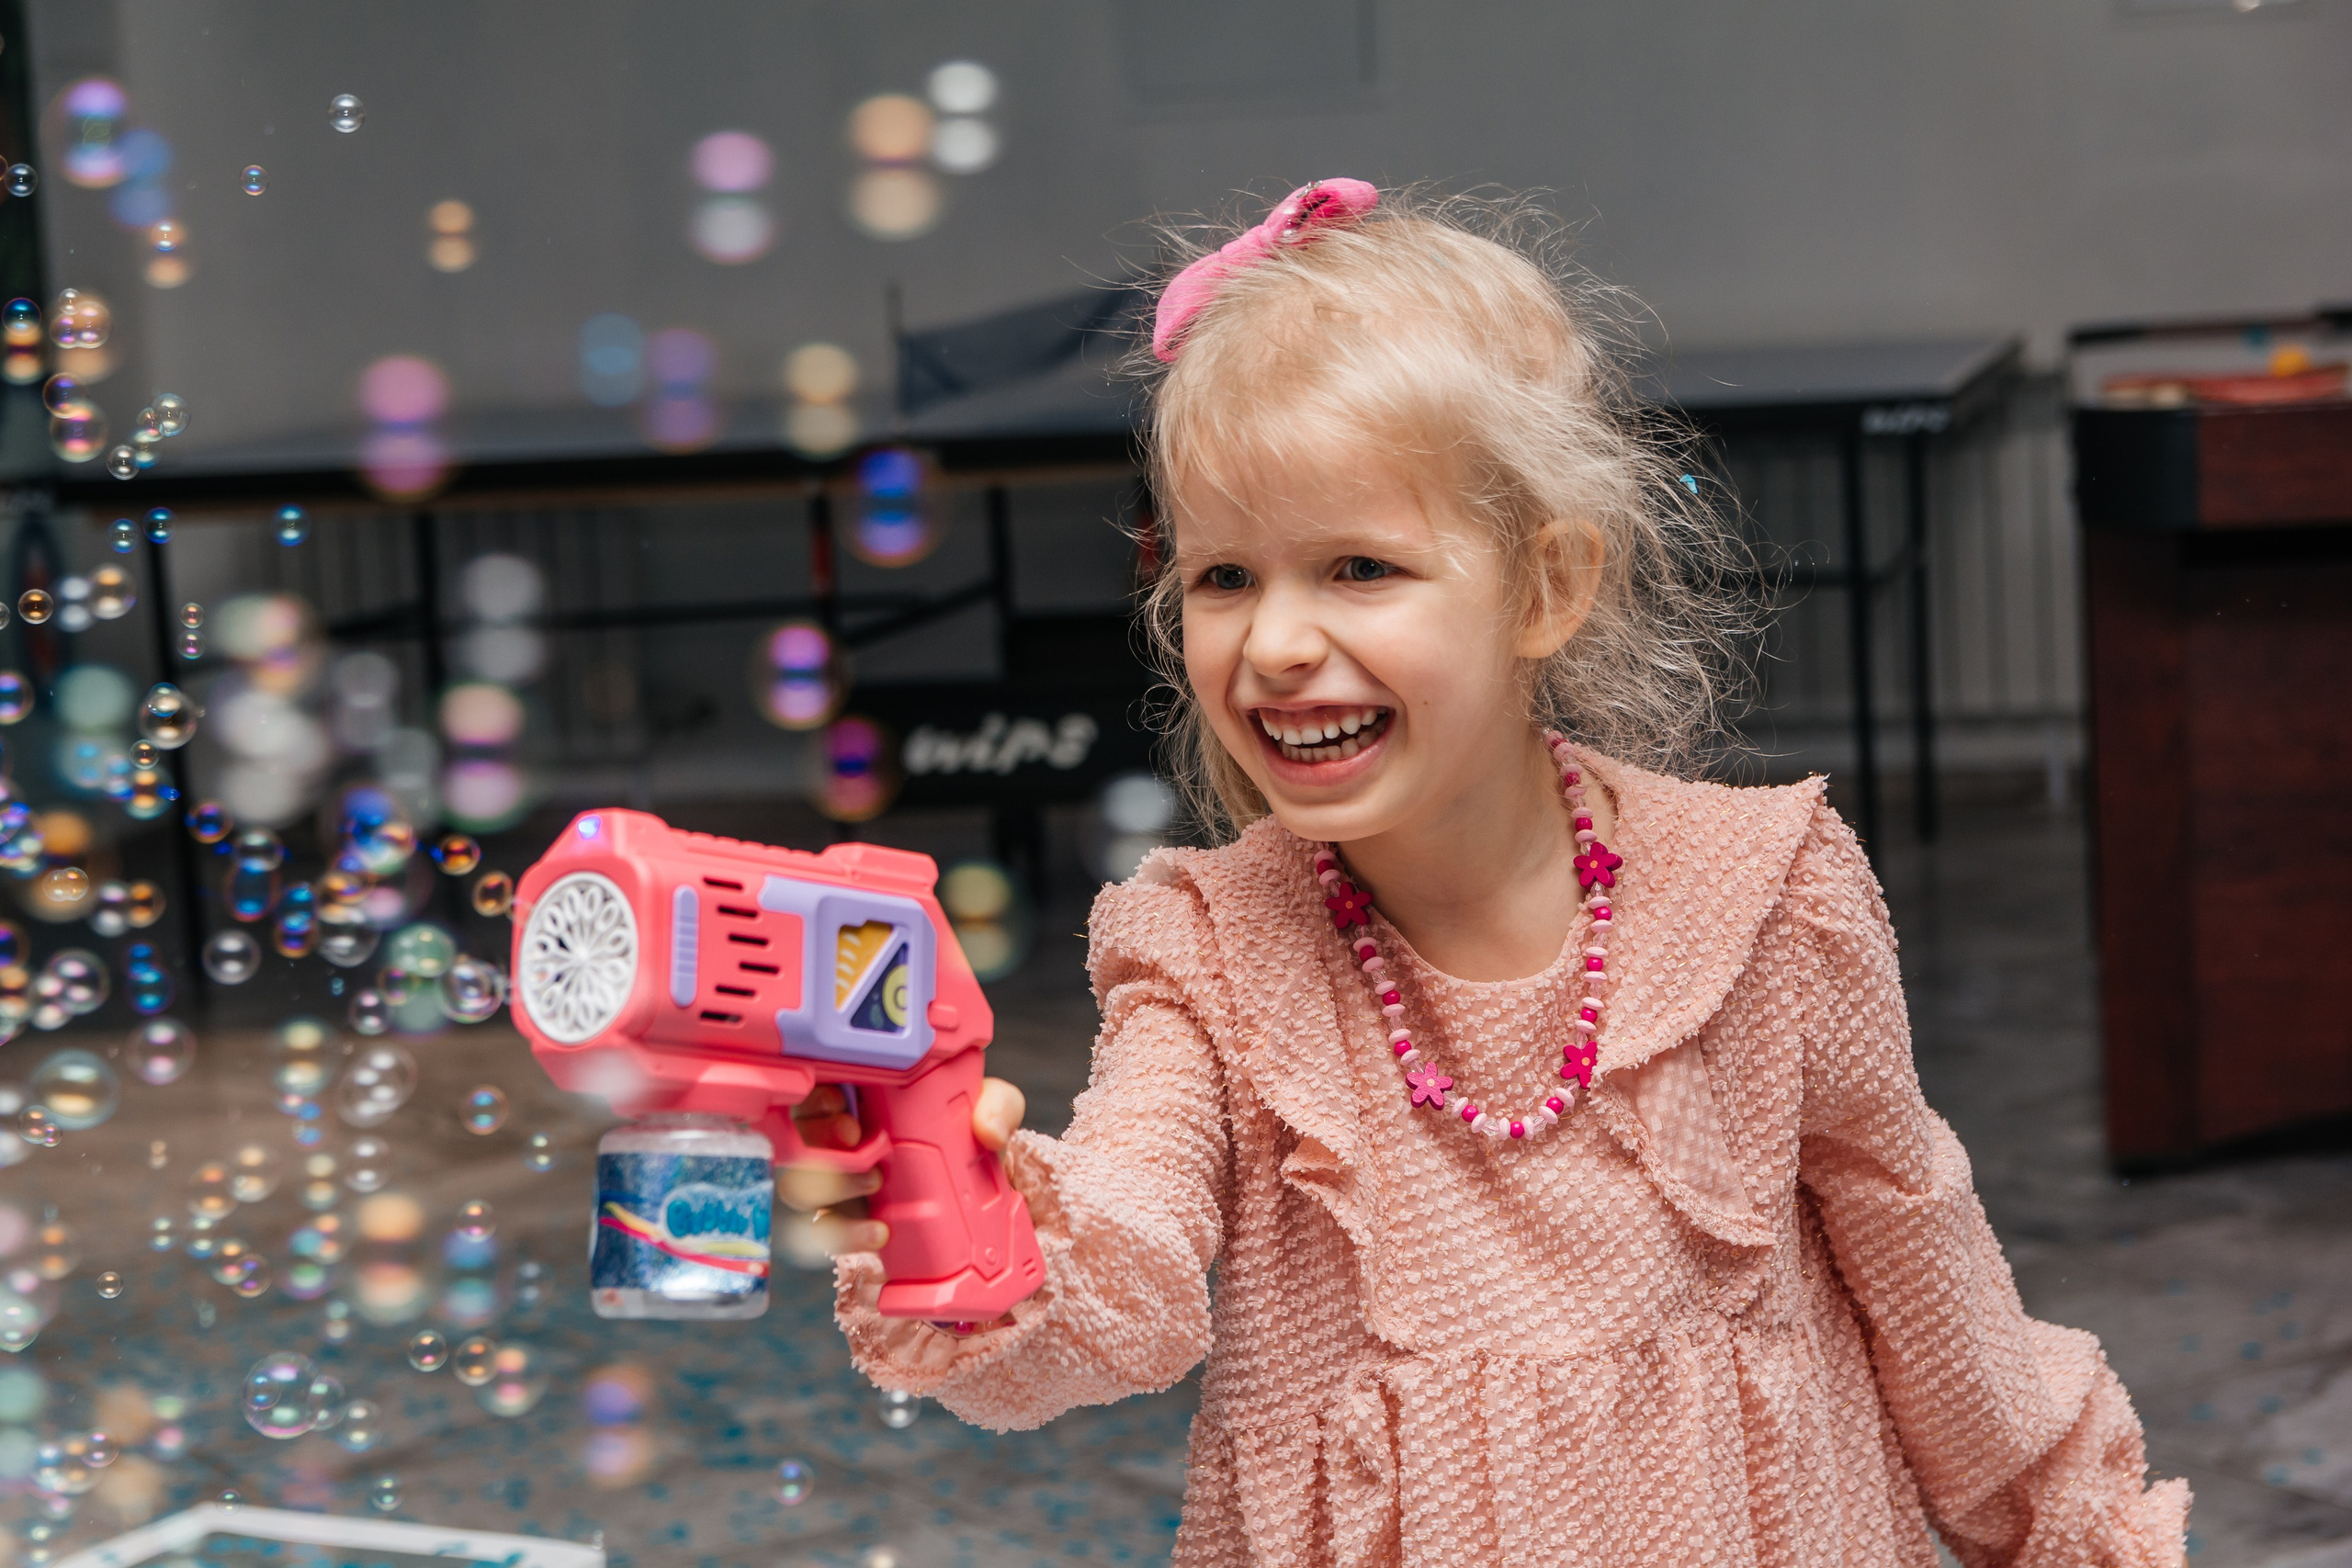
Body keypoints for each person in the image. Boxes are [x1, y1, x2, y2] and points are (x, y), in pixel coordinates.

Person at [781, 180, 2188, 1566]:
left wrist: (2077, 1537)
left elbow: (1935, 1297)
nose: (1274, 644)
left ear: (1546, 586)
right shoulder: (1207, 958)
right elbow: (1126, 1283)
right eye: (1222, 578)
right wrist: (963, 1222)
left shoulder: (1763, 900)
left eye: (1357, 567)